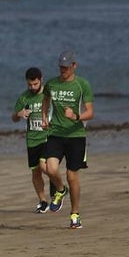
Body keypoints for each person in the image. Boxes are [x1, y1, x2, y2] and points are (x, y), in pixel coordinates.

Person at [41, 51, 94, 229]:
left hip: (76, 136)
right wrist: (44, 117)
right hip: (55, 132)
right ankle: (60, 190)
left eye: (66, 67)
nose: (63, 70)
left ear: (74, 66)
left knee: (72, 176)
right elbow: (45, 100)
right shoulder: (51, 84)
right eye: (61, 67)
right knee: (50, 168)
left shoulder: (82, 85)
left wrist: (75, 116)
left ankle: (75, 214)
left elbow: (90, 112)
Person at [11, 67, 52, 212]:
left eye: (35, 84)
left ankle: (56, 182)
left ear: (41, 80)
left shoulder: (48, 95)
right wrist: (19, 114)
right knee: (35, 172)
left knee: (44, 166)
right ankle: (43, 201)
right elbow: (14, 118)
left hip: (48, 137)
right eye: (29, 85)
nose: (32, 87)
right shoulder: (24, 97)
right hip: (32, 139)